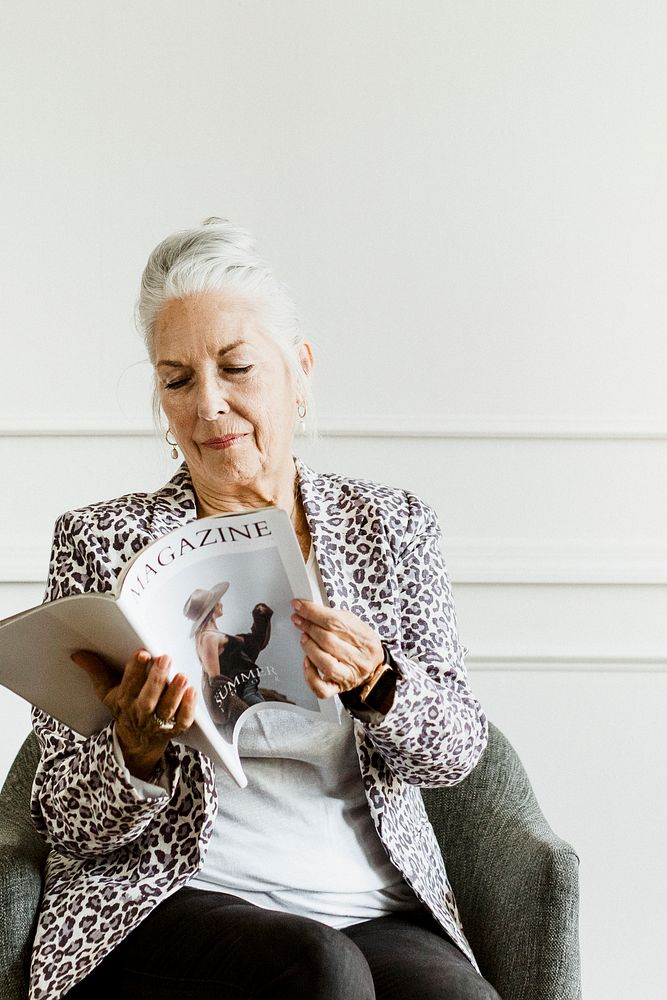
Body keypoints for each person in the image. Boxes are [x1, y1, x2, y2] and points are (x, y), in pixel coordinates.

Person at [29, 218, 501, 1000]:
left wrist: (379, 682)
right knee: (319, 972)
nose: (209, 405)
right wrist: (136, 749)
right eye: (177, 380)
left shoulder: (389, 526)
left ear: (300, 370)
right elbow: (65, 819)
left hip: (365, 903)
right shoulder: (103, 542)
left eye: (236, 367)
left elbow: (455, 756)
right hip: (168, 900)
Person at [183, 584, 282, 740]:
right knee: (269, 725)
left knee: (272, 719)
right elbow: (216, 679)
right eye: (217, 601)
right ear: (211, 609)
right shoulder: (208, 638)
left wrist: (260, 617)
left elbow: (252, 645)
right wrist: (238, 708)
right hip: (244, 692)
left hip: (248, 688)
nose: (221, 602)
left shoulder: (212, 635)